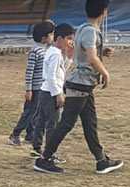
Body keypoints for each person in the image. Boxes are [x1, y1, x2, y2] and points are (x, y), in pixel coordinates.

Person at [34, 0, 123, 174]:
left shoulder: (83, 28)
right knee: (66, 123)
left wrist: (101, 51)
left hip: (83, 85)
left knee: (90, 123)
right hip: (80, 84)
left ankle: (101, 160)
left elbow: (84, 50)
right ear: (104, 12)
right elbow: (91, 58)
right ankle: (44, 159)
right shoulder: (90, 31)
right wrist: (105, 73)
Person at [30, 23, 76, 161]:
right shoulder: (55, 54)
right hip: (50, 93)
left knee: (41, 120)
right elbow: (52, 76)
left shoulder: (53, 51)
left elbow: (60, 71)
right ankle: (49, 153)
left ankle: (36, 148)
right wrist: (58, 94)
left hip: (45, 91)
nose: (70, 42)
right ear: (59, 38)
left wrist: (69, 57)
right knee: (53, 123)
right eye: (68, 38)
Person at [9, 20, 55, 146]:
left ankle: (30, 134)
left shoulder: (47, 49)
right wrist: (28, 89)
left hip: (42, 87)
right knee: (29, 113)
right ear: (43, 37)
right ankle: (15, 134)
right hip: (35, 89)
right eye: (51, 35)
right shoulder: (35, 52)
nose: (53, 37)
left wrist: (50, 24)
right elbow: (29, 72)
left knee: (35, 112)